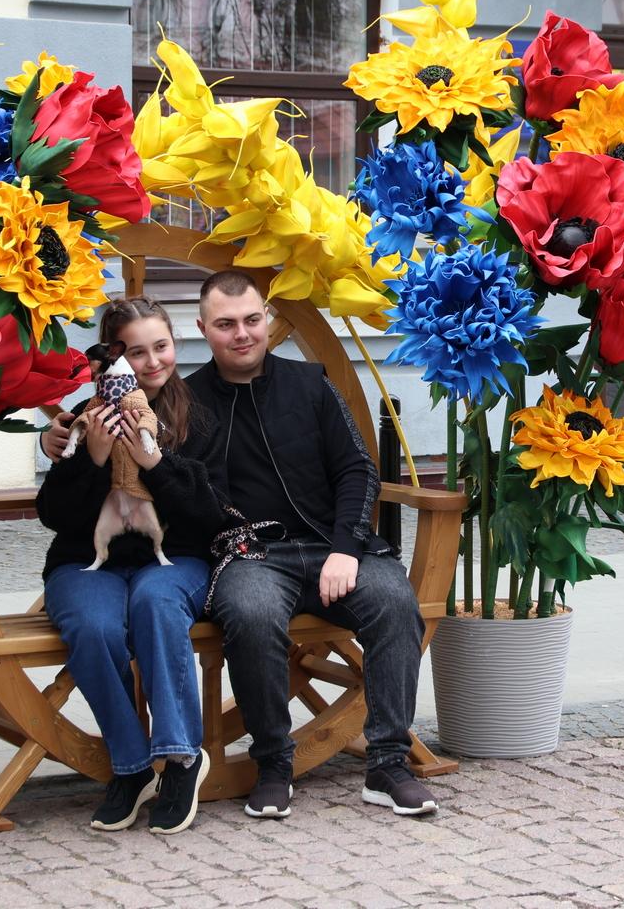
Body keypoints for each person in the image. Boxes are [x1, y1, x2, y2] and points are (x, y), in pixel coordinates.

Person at [184, 269, 437, 819]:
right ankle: (274, 762)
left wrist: (347, 547)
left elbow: (358, 470)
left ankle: (388, 763)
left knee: (395, 603)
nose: (242, 333)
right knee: (249, 613)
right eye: (226, 324)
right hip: (250, 557)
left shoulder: (310, 383)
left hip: (333, 548)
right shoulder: (186, 403)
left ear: (269, 321)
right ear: (204, 328)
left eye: (252, 320)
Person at [36, 296, 231, 836]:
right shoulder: (84, 416)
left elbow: (209, 516)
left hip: (174, 559)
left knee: (154, 601)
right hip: (88, 561)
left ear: (176, 344)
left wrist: (156, 464)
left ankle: (181, 758)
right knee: (94, 625)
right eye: (136, 352)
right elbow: (55, 516)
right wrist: (92, 460)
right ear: (113, 357)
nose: (151, 363)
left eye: (161, 347)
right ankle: (131, 765)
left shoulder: (202, 420)